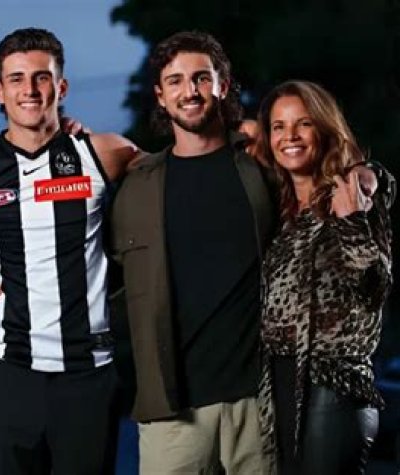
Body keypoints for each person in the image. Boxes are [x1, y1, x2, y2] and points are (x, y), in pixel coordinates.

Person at [0, 27, 141, 474]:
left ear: (61, 87)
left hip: (88, 374)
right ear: (0, 92)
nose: (29, 89)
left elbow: (183, 169)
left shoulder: (104, 152)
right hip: (10, 373)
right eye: (16, 78)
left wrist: (241, 134)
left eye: (41, 77)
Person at [110, 31, 278, 474]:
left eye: (202, 78)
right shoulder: (136, 186)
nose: (190, 91)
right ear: (160, 96)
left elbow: (327, 166)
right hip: (172, 412)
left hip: (258, 403)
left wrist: (367, 174)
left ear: (223, 85)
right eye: (176, 81)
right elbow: (97, 274)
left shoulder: (260, 167)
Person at [255, 80, 392, 475]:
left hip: (333, 385)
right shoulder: (280, 209)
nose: (290, 136)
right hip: (279, 383)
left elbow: (373, 289)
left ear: (324, 128)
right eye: (279, 126)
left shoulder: (353, 191)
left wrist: (352, 222)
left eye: (304, 124)